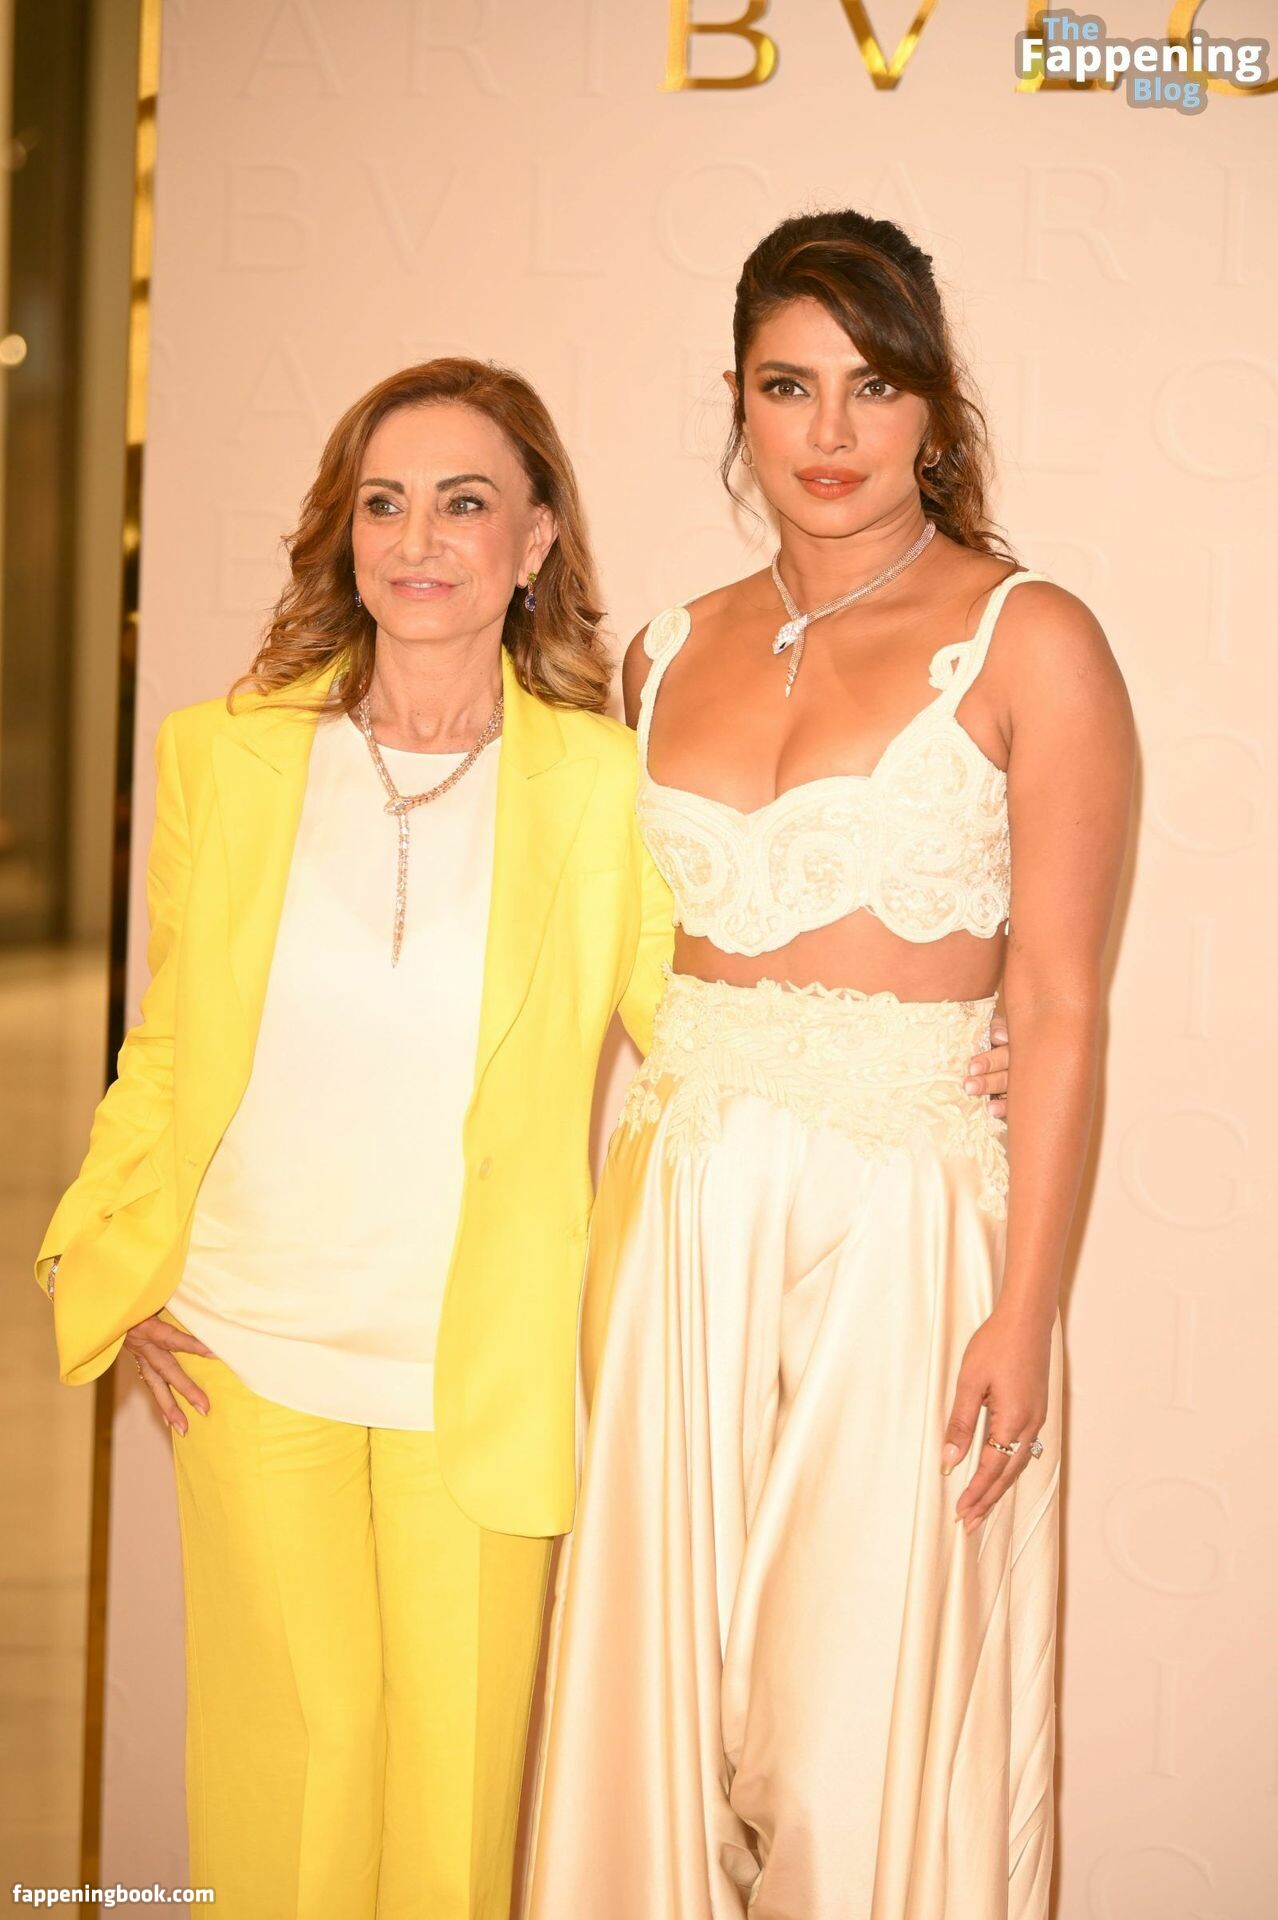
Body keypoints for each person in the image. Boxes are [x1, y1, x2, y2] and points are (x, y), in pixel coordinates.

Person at [526, 210, 1134, 1919]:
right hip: (677, 1217)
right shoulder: (659, 652)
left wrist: (1024, 1312)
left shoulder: (1031, 639)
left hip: (905, 1233)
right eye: (788, 386)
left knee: (839, 1734)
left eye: (873, 385)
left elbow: (1062, 1004)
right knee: (663, 1711)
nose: (830, 431)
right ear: (737, 401)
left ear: (934, 404)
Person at [34, 356, 680, 1920]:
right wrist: (108, 1249)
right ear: (344, 531)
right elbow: (169, 1040)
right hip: (247, 1346)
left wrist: (926, 1040)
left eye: (464, 502)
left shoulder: (606, 788)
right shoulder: (226, 754)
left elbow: (704, 1034)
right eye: (383, 503)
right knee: (290, 1792)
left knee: (453, 1811)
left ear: (533, 541)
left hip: (479, 1368)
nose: (418, 539)